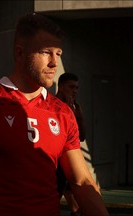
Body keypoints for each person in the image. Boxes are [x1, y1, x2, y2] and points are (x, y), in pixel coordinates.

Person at [0, 13, 109, 216]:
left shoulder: (62, 112)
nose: (55, 63)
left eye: (59, 53)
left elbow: (81, 181)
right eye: (46, 52)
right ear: (20, 53)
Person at [56, 73, 86, 216]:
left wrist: (75, 114)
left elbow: (82, 136)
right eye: (71, 87)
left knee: (76, 205)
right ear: (61, 87)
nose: (75, 91)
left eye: (77, 88)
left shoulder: (75, 107)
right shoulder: (52, 105)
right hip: (56, 165)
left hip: (70, 161)